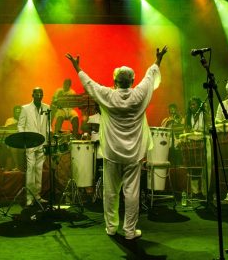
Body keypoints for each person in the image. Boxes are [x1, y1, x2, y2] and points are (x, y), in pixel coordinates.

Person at [66, 46, 167, 240]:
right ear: (132, 81)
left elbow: (90, 85)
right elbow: (150, 76)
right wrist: (158, 59)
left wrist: (77, 68)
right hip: (134, 154)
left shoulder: (109, 96)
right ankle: (130, 231)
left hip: (112, 153)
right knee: (132, 193)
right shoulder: (139, 95)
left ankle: (111, 228)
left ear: (114, 82)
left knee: (110, 192)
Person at [18, 88, 50, 206]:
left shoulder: (47, 107)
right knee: (31, 168)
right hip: (30, 143)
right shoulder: (25, 108)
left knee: (39, 169)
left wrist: (48, 137)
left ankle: (37, 195)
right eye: (37, 93)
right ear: (32, 95)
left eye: (41, 93)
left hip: (42, 142)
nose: (39, 95)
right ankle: (29, 197)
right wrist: (24, 138)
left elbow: (47, 125)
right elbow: (20, 125)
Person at [182, 96, 211, 197]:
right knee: (193, 168)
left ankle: (205, 192)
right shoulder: (188, 117)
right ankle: (195, 192)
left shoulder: (204, 114)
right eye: (190, 105)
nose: (191, 106)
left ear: (199, 105)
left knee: (204, 168)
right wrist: (189, 131)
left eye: (194, 104)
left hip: (204, 141)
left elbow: (209, 127)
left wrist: (202, 131)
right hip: (192, 144)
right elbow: (185, 130)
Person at [4, 105, 23, 171]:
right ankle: (16, 166)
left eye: (20, 112)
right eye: (17, 112)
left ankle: (23, 167)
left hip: (22, 140)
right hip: (12, 140)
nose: (18, 113)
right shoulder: (9, 120)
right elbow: (6, 130)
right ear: (14, 113)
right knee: (14, 147)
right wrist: (16, 124)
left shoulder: (24, 120)